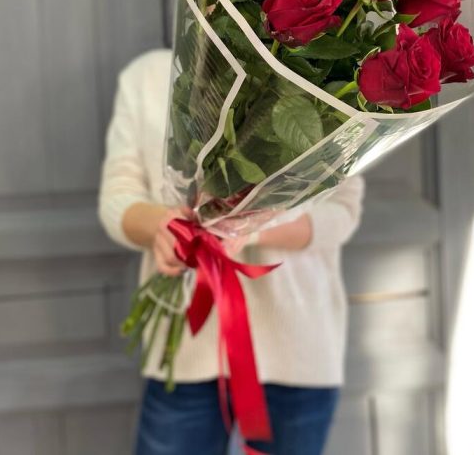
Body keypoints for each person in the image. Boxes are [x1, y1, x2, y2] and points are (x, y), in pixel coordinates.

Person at [98, 48, 364, 455]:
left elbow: (341, 213)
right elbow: (117, 197)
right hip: (184, 353)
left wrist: (248, 229)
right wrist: (162, 227)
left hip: (297, 348)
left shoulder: (323, 81)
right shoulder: (148, 76)